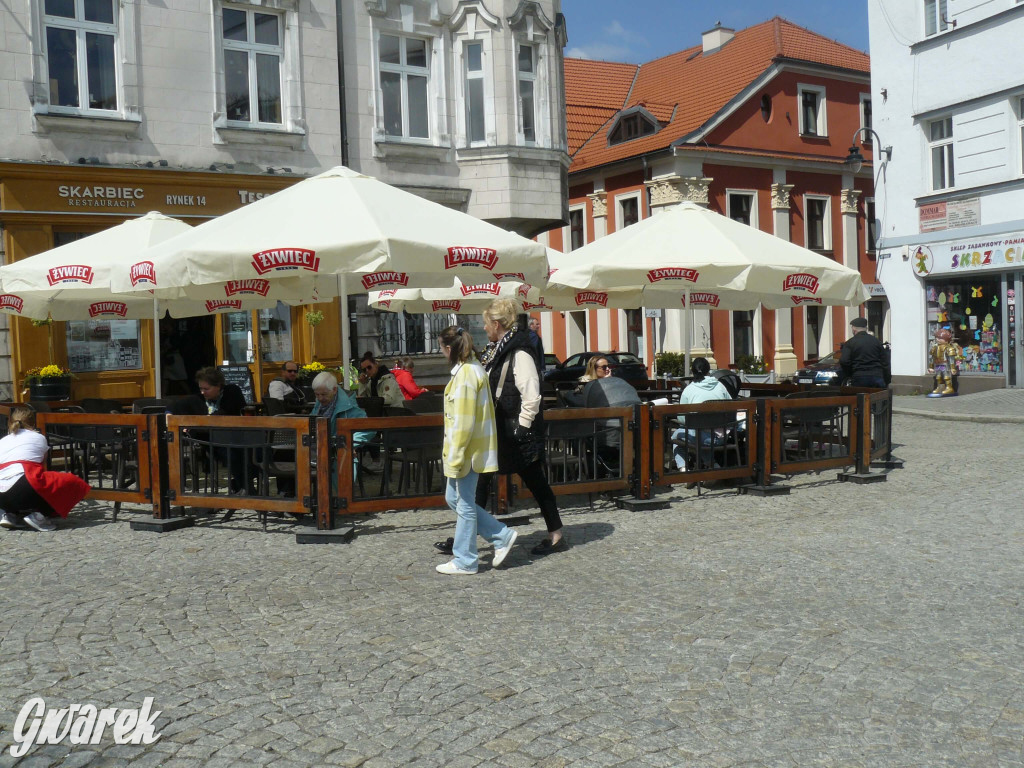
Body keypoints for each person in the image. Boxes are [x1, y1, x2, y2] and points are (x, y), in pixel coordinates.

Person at [477, 298, 565, 556]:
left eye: (486, 323)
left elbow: (532, 394)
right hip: (498, 428)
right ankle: (464, 537)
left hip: (516, 431)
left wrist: (523, 426)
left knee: (536, 483)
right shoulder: (496, 350)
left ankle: (556, 534)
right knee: (480, 481)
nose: (484, 328)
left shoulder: (520, 352)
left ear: (496, 324)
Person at [435, 325, 518, 575]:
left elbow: (463, 422)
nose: (441, 353)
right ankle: (500, 535)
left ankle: (465, 560)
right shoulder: (470, 369)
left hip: (467, 451)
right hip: (470, 449)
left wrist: (455, 455)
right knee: (455, 499)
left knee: (464, 504)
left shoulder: (466, 374)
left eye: (441, 348)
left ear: (448, 348)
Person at [0, 406, 90, 532]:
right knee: (71, 481)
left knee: (15, 485)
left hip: (2, 492)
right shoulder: (38, 437)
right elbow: (43, 462)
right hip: (25, 484)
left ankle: (9, 513)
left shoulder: (3, 440)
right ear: (33, 423)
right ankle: (40, 515)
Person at [310, 371, 375, 491]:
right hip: (319, 452)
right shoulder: (319, 404)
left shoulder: (348, 405)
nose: (320, 398)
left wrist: (349, 443)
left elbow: (369, 428)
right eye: (317, 394)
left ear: (334, 390)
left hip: (339, 455)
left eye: (323, 394)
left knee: (339, 491)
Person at [670, 357, 733, 472]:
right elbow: (731, 407)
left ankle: (684, 469)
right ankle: (712, 465)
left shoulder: (689, 390)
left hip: (702, 437)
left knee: (677, 436)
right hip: (722, 437)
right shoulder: (720, 386)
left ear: (692, 371)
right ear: (709, 370)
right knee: (699, 435)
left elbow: (682, 419)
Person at [839, 317, 890, 388]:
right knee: (878, 395)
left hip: (858, 376)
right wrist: (887, 379)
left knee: (859, 394)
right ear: (866, 328)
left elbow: (844, 361)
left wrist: (850, 373)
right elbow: (885, 361)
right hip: (876, 376)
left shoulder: (850, 343)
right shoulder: (876, 341)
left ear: (854, 329)